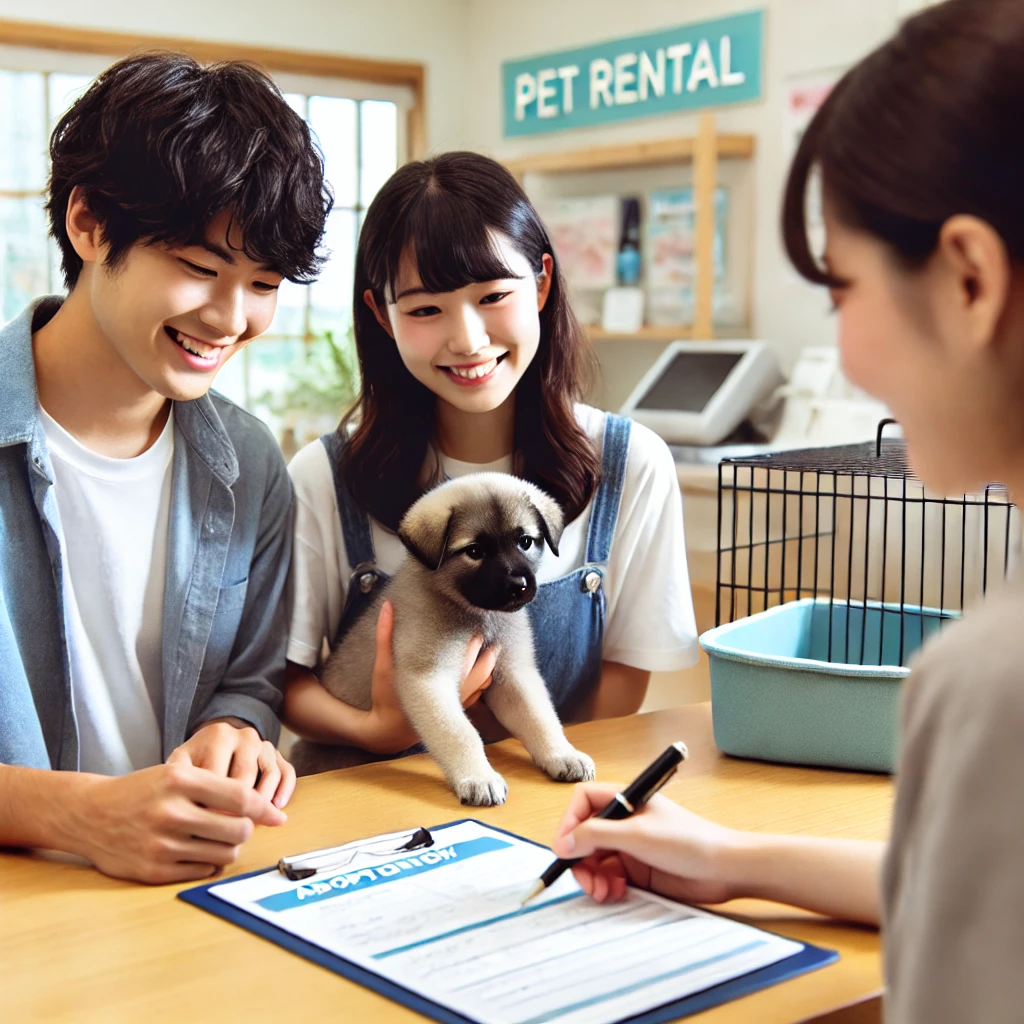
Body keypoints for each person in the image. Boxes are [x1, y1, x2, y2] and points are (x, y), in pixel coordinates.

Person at [548, 1, 1024, 1020]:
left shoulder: (993, 679)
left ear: (969, 280)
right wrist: (730, 858)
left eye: (842, 291)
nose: (844, 355)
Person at [0, 52, 332, 883]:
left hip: (178, 901)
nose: (231, 318)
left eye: (263, 283)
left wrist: (236, 735)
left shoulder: (251, 463)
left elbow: (248, 685)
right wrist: (77, 814)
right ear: (88, 223)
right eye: (198, 269)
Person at [282, 151, 699, 760]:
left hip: (538, 806)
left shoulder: (630, 465)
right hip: (371, 806)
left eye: (493, 295)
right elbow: (284, 681)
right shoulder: (326, 476)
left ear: (542, 284)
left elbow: (624, 679)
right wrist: (382, 731)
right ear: (382, 314)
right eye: (425, 309)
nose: (468, 339)